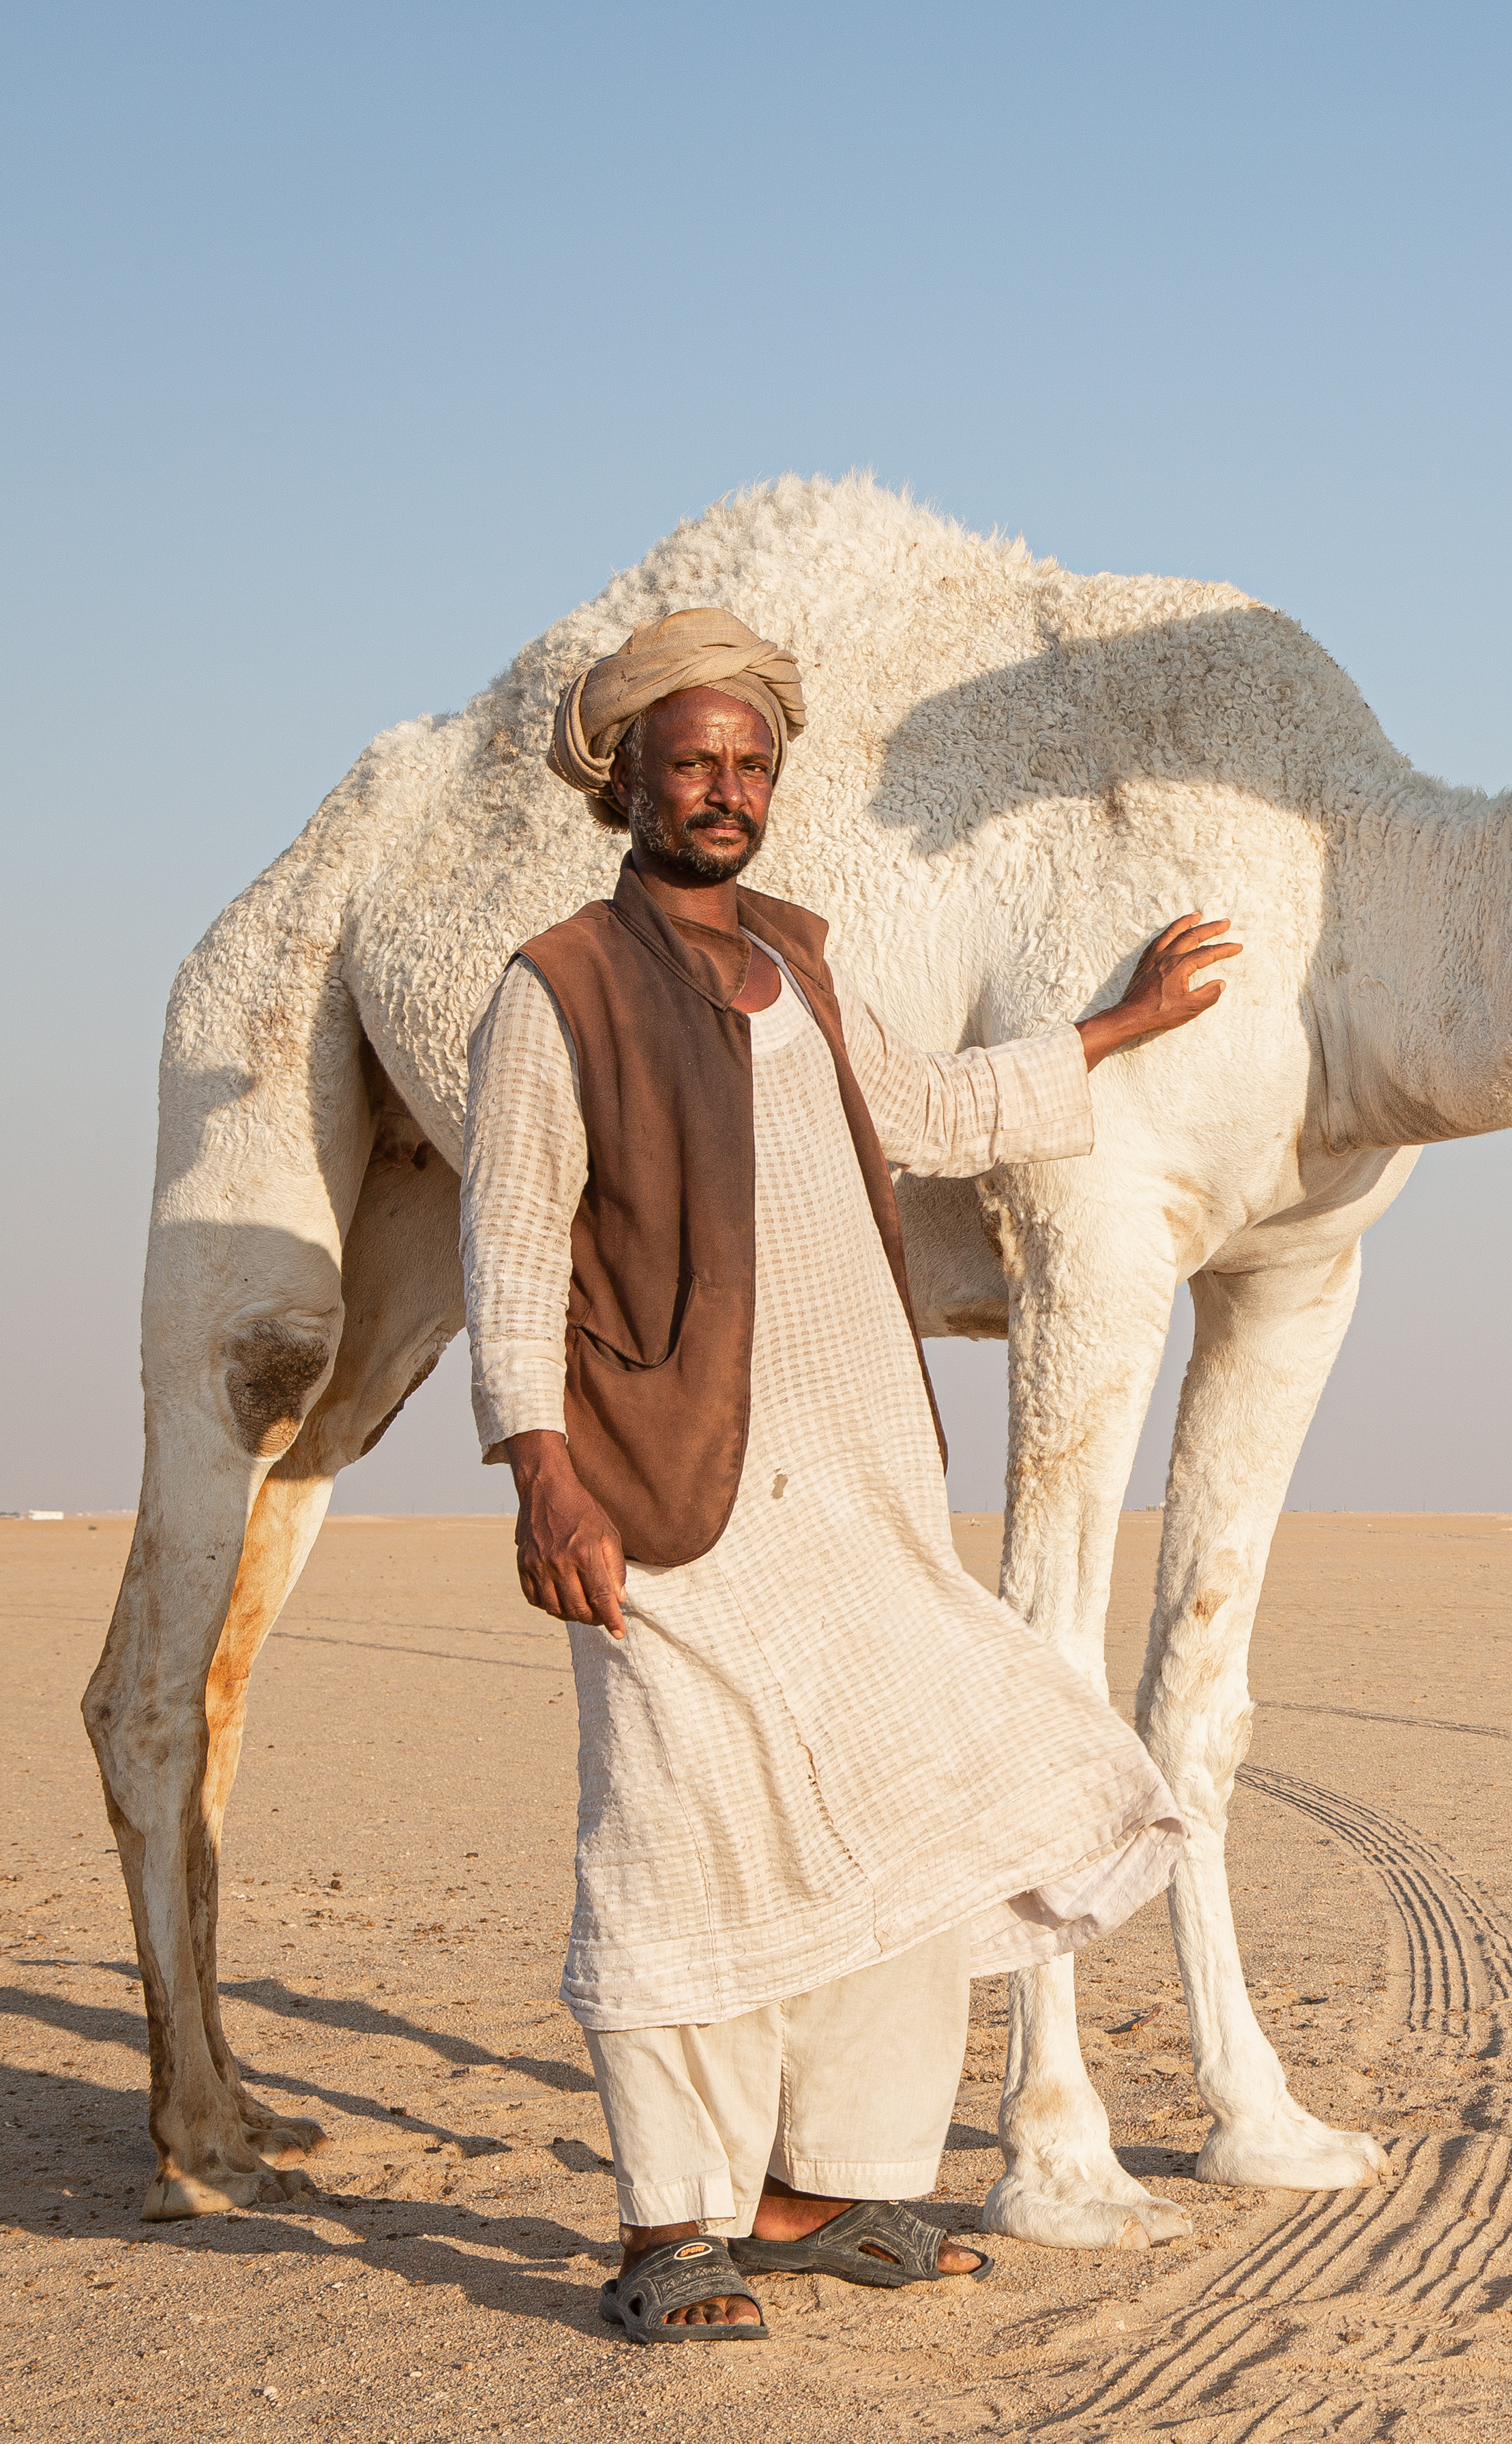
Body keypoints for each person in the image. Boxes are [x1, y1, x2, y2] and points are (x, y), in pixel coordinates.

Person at [461, 608, 1232, 2342]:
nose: (724, 791)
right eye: (692, 764)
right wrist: (543, 1474)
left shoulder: (800, 957)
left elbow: (926, 1114)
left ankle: (819, 2193)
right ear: (630, 784)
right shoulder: (555, 989)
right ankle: (674, 2226)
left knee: (901, 1815)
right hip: (670, 1493)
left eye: (749, 764)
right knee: (678, 1833)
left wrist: (1113, 1032)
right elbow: (508, 1251)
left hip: (865, 1489)